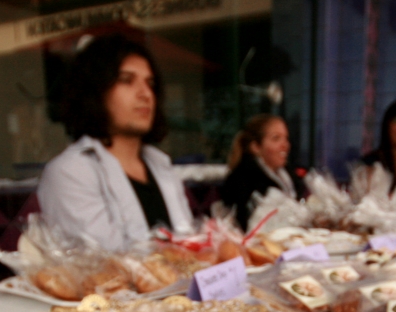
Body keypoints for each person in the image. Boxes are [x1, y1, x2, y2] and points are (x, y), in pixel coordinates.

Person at [37, 34, 193, 252]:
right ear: (96, 91)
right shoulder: (70, 172)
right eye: (127, 80)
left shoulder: (162, 166)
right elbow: (103, 267)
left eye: (150, 83)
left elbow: (188, 246)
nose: (145, 94)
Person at [218, 114, 301, 230]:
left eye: (286, 138)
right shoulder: (241, 180)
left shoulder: (290, 176)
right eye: (276, 138)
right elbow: (242, 225)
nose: (285, 145)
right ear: (256, 147)